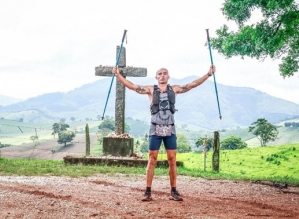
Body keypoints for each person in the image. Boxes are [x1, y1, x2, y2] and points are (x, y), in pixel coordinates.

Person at [112, 65, 216, 201]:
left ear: (168, 76)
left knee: (172, 160)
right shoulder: (150, 89)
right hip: (155, 128)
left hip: (170, 128)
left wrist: (208, 74)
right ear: (156, 77)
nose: (162, 75)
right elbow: (132, 86)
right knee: (152, 159)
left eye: (164, 73)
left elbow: (193, 84)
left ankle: (173, 191)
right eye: (159, 74)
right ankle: (148, 191)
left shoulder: (175, 89)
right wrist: (118, 75)